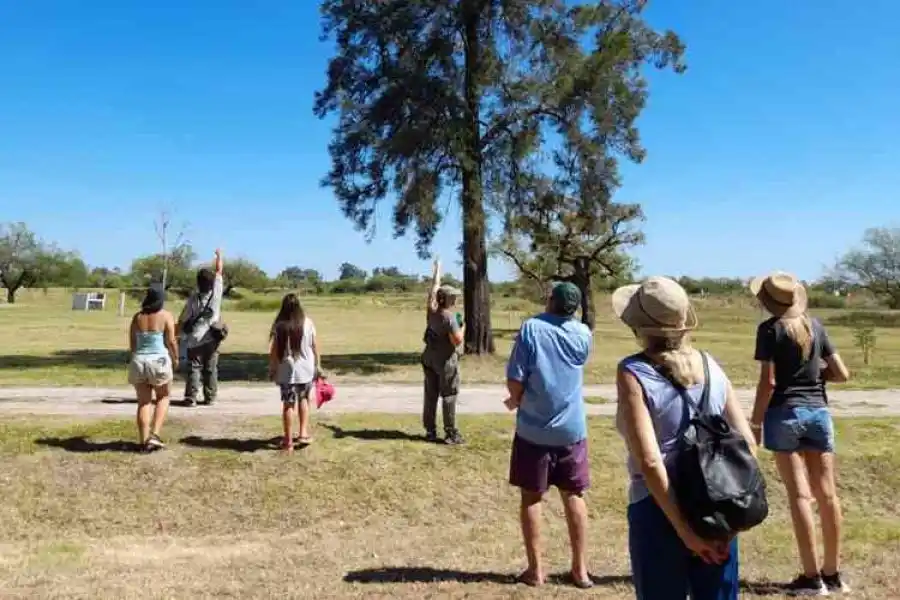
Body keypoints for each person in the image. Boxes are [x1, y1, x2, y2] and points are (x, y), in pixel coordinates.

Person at [613, 276, 756, 600]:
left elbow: (651, 461)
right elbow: (747, 443)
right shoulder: (712, 366)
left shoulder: (634, 372)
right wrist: (728, 525)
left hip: (657, 506)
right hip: (718, 503)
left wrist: (685, 532)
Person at [749, 271, 850, 595]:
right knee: (828, 495)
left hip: (784, 414)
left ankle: (811, 577)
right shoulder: (815, 326)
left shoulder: (769, 330)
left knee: (799, 496)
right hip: (819, 412)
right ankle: (833, 573)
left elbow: (769, 382)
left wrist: (755, 423)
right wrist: (815, 374)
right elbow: (842, 373)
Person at [504, 282, 593, 589]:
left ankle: (536, 570)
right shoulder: (583, 333)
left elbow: (515, 379)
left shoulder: (531, 329)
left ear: (551, 301)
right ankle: (580, 570)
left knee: (531, 497)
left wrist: (516, 399)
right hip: (572, 430)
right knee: (574, 495)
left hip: (534, 430)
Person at [127, 287, 179, 451]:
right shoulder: (165, 315)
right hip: (158, 360)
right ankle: (155, 435)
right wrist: (176, 357)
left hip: (139, 360)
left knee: (144, 402)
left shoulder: (137, 317)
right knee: (163, 397)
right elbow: (171, 340)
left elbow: (133, 344)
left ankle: (143, 440)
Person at [268, 293, 321, 452]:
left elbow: (274, 350)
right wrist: (318, 365)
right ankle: (303, 433)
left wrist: (273, 368)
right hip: (305, 369)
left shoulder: (279, 325)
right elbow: (315, 346)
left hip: (287, 371)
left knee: (288, 404)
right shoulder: (308, 323)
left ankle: (288, 440)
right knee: (304, 399)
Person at [421, 258, 465, 445]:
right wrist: (464, 327)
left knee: (430, 396)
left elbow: (434, 288)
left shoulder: (432, 310)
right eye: (453, 296)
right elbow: (457, 340)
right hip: (445, 362)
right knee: (449, 395)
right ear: (446, 299)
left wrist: (438, 269)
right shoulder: (450, 318)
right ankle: (451, 433)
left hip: (428, 358)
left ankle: (430, 430)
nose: (455, 299)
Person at [178, 249, 225, 406]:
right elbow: (219, 270)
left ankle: (191, 397)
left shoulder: (193, 299)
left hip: (195, 338)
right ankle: (210, 396)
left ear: (198, 283)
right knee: (211, 368)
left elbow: (185, 318)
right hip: (212, 337)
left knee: (194, 367)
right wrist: (219, 256)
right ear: (212, 283)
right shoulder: (216, 295)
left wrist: (181, 332)